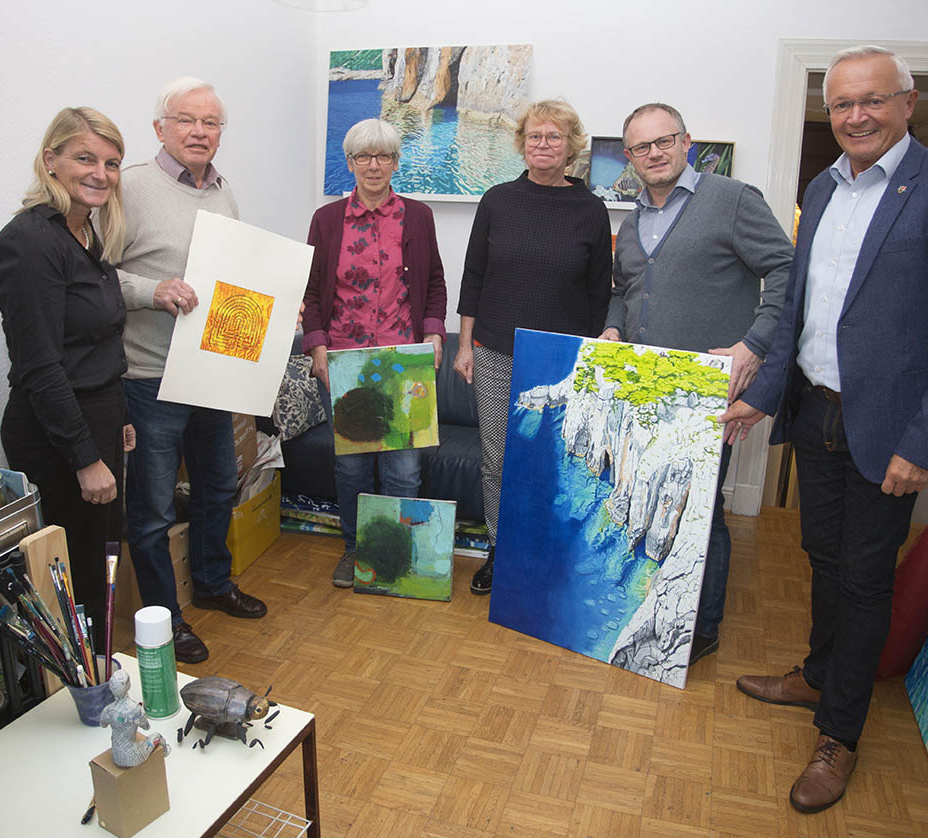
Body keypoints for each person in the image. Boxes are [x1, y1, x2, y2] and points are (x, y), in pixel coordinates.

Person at [720, 46, 928, 813]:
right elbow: (798, 312)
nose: (855, 116)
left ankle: (838, 731)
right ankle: (816, 671)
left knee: (862, 577)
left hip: (890, 428)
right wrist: (766, 392)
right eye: (842, 104)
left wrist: (923, 440)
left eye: (872, 101)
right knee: (819, 552)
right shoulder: (818, 187)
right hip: (815, 410)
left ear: (907, 102)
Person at [600, 102, 792, 664]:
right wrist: (613, 325)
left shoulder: (732, 200)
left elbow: (785, 268)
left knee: (699, 513)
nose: (653, 153)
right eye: (641, 147)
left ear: (688, 142)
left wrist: (753, 344)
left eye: (665, 141)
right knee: (649, 500)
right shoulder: (631, 221)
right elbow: (623, 289)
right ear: (630, 157)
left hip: (703, 391)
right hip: (643, 391)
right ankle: (653, 605)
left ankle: (698, 630)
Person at [117, 77, 266, 664]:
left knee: (217, 487)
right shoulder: (128, 189)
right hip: (149, 377)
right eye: (186, 120)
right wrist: (152, 291)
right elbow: (96, 277)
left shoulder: (224, 191)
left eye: (211, 123)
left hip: (213, 370)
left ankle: (211, 583)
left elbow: (231, 279)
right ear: (160, 128)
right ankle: (165, 618)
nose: (200, 131)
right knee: (151, 508)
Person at [455, 98, 613, 595]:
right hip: (497, 351)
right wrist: (464, 345)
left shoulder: (590, 209)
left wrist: (588, 362)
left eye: (554, 137)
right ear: (522, 144)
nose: (543, 145)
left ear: (571, 147)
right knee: (498, 457)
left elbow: (599, 293)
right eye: (535, 136)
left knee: (552, 459)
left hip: (560, 359)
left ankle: (543, 550)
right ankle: (500, 551)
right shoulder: (497, 200)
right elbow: (473, 277)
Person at [0, 107, 133, 652]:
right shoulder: (29, 242)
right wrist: (84, 457)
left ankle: (98, 683)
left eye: (112, 162)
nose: (100, 173)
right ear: (51, 161)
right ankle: (84, 694)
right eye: (85, 158)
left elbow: (96, 344)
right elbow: (41, 366)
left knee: (100, 565)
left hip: (95, 418)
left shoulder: (83, 234)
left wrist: (117, 421)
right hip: (57, 434)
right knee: (72, 580)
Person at [302, 118, 447, 588]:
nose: (373, 165)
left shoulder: (418, 217)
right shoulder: (326, 221)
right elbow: (310, 291)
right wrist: (317, 345)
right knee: (352, 468)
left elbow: (434, 284)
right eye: (363, 156)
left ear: (396, 163)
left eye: (384, 156)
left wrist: (434, 334)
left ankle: (400, 559)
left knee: (404, 470)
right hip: (345, 363)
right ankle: (355, 550)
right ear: (349, 163)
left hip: (404, 361)